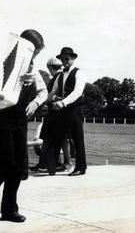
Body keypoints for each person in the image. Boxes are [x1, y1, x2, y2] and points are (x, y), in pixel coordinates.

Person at [0, 30, 47, 223]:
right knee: (5, 162)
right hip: (0, 116)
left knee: (19, 167)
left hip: (20, 118)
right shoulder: (2, 58)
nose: (34, 56)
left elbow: (43, 91)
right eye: (33, 51)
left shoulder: (33, 68)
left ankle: (9, 210)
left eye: (36, 53)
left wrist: (35, 102)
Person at [47, 47, 87, 176]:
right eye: (62, 59)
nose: (64, 61)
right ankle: (51, 168)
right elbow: (53, 91)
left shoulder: (79, 73)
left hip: (75, 109)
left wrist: (63, 102)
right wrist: (53, 98)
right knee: (56, 136)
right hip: (62, 109)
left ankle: (80, 168)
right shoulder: (60, 74)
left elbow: (78, 92)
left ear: (73, 59)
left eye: (67, 59)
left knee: (77, 139)